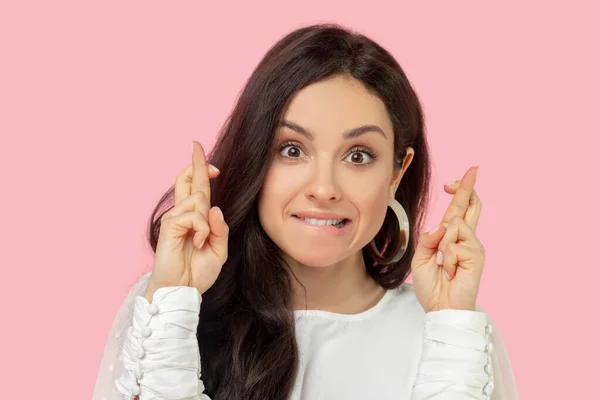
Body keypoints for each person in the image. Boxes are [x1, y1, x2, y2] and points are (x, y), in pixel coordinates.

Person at [92, 23, 518, 400]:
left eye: (359, 156)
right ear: (257, 155)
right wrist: (173, 300)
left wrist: (451, 331)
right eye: (292, 150)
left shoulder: (453, 333)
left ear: (396, 172)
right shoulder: (169, 312)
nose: (323, 189)